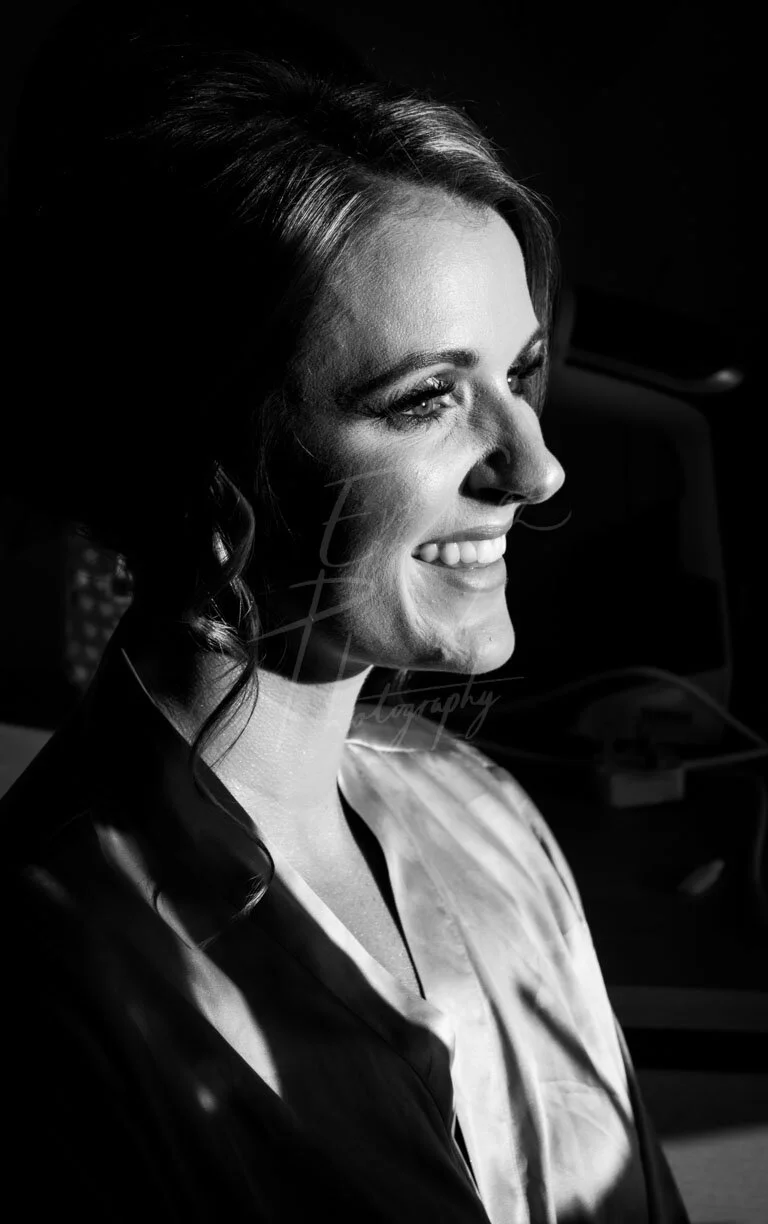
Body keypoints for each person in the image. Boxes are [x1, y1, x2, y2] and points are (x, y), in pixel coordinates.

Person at [3, 2, 689, 1220]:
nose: (538, 469)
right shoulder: (55, 974)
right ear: (207, 470)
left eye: (518, 374)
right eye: (426, 398)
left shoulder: (487, 817)